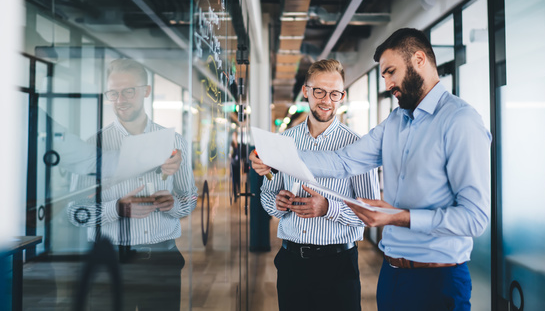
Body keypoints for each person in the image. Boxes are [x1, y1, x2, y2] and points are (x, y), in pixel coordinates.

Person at [251, 29, 491, 311]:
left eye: (391, 72)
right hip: (391, 274)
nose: (388, 83)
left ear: (419, 59)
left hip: (437, 276)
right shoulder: (396, 121)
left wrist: (398, 217)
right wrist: (277, 156)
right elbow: (342, 162)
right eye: (384, 76)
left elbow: (475, 218)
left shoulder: (460, 121)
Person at [67, 58, 197, 311]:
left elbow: (191, 199)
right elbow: (75, 213)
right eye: (113, 93)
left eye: (128, 91)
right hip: (110, 262)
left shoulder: (175, 142)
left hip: (162, 260)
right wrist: (115, 209)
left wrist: (172, 205)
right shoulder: (93, 144)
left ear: (146, 91)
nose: (120, 100)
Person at [250, 59, 379, 311]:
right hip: (291, 263)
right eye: (319, 91)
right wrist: (278, 204)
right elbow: (267, 196)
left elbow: (370, 212)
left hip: (338, 265)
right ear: (306, 91)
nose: (326, 100)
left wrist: (328, 208)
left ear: (342, 96)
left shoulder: (358, 146)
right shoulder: (284, 141)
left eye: (334, 94)